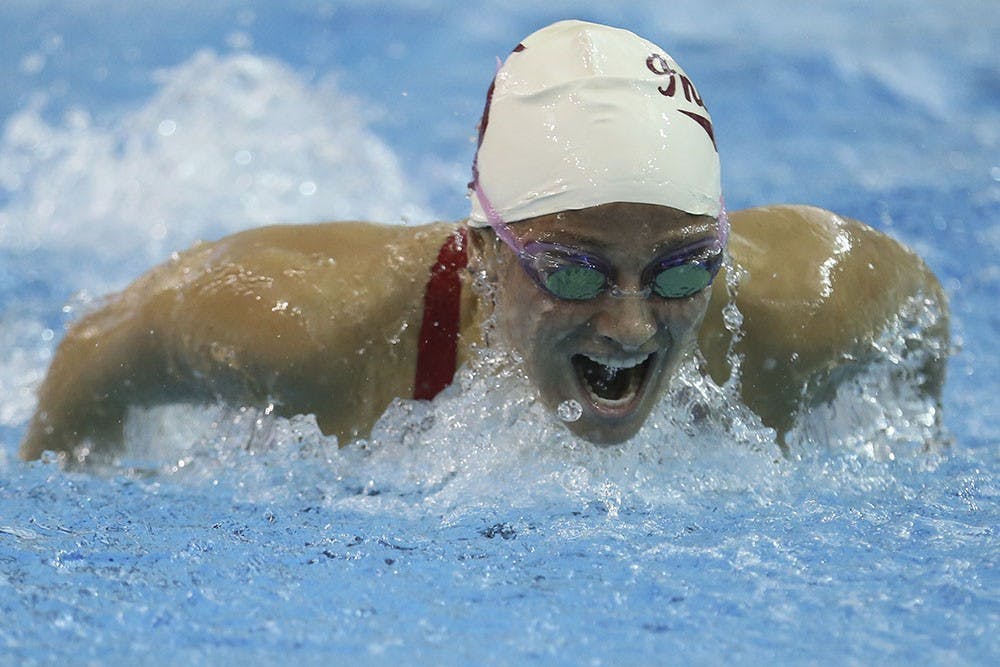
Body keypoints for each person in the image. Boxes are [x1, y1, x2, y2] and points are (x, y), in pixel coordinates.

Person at [19, 20, 949, 461]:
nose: (629, 325)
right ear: (486, 249)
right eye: (575, 271)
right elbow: (100, 349)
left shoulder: (809, 305)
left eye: (679, 270)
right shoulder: (316, 330)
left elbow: (921, 314)